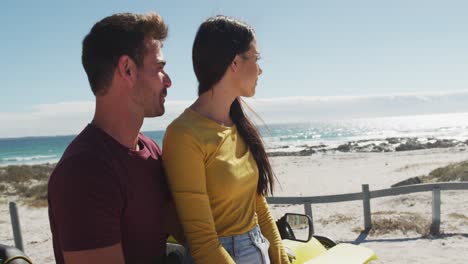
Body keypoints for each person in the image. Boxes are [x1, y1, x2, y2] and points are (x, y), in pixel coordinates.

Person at [48, 12, 182, 264]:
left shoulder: (150, 149)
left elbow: (182, 230)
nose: (169, 81)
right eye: (160, 68)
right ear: (128, 69)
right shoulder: (84, 172)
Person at [162, 16, 290, 264]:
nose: (260, 69)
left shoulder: (238, 124)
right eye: (256, 58)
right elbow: (203, 243)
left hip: (258, 248)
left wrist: (280, 256)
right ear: (234, 62)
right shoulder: (184, 134)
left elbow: (257, 206)